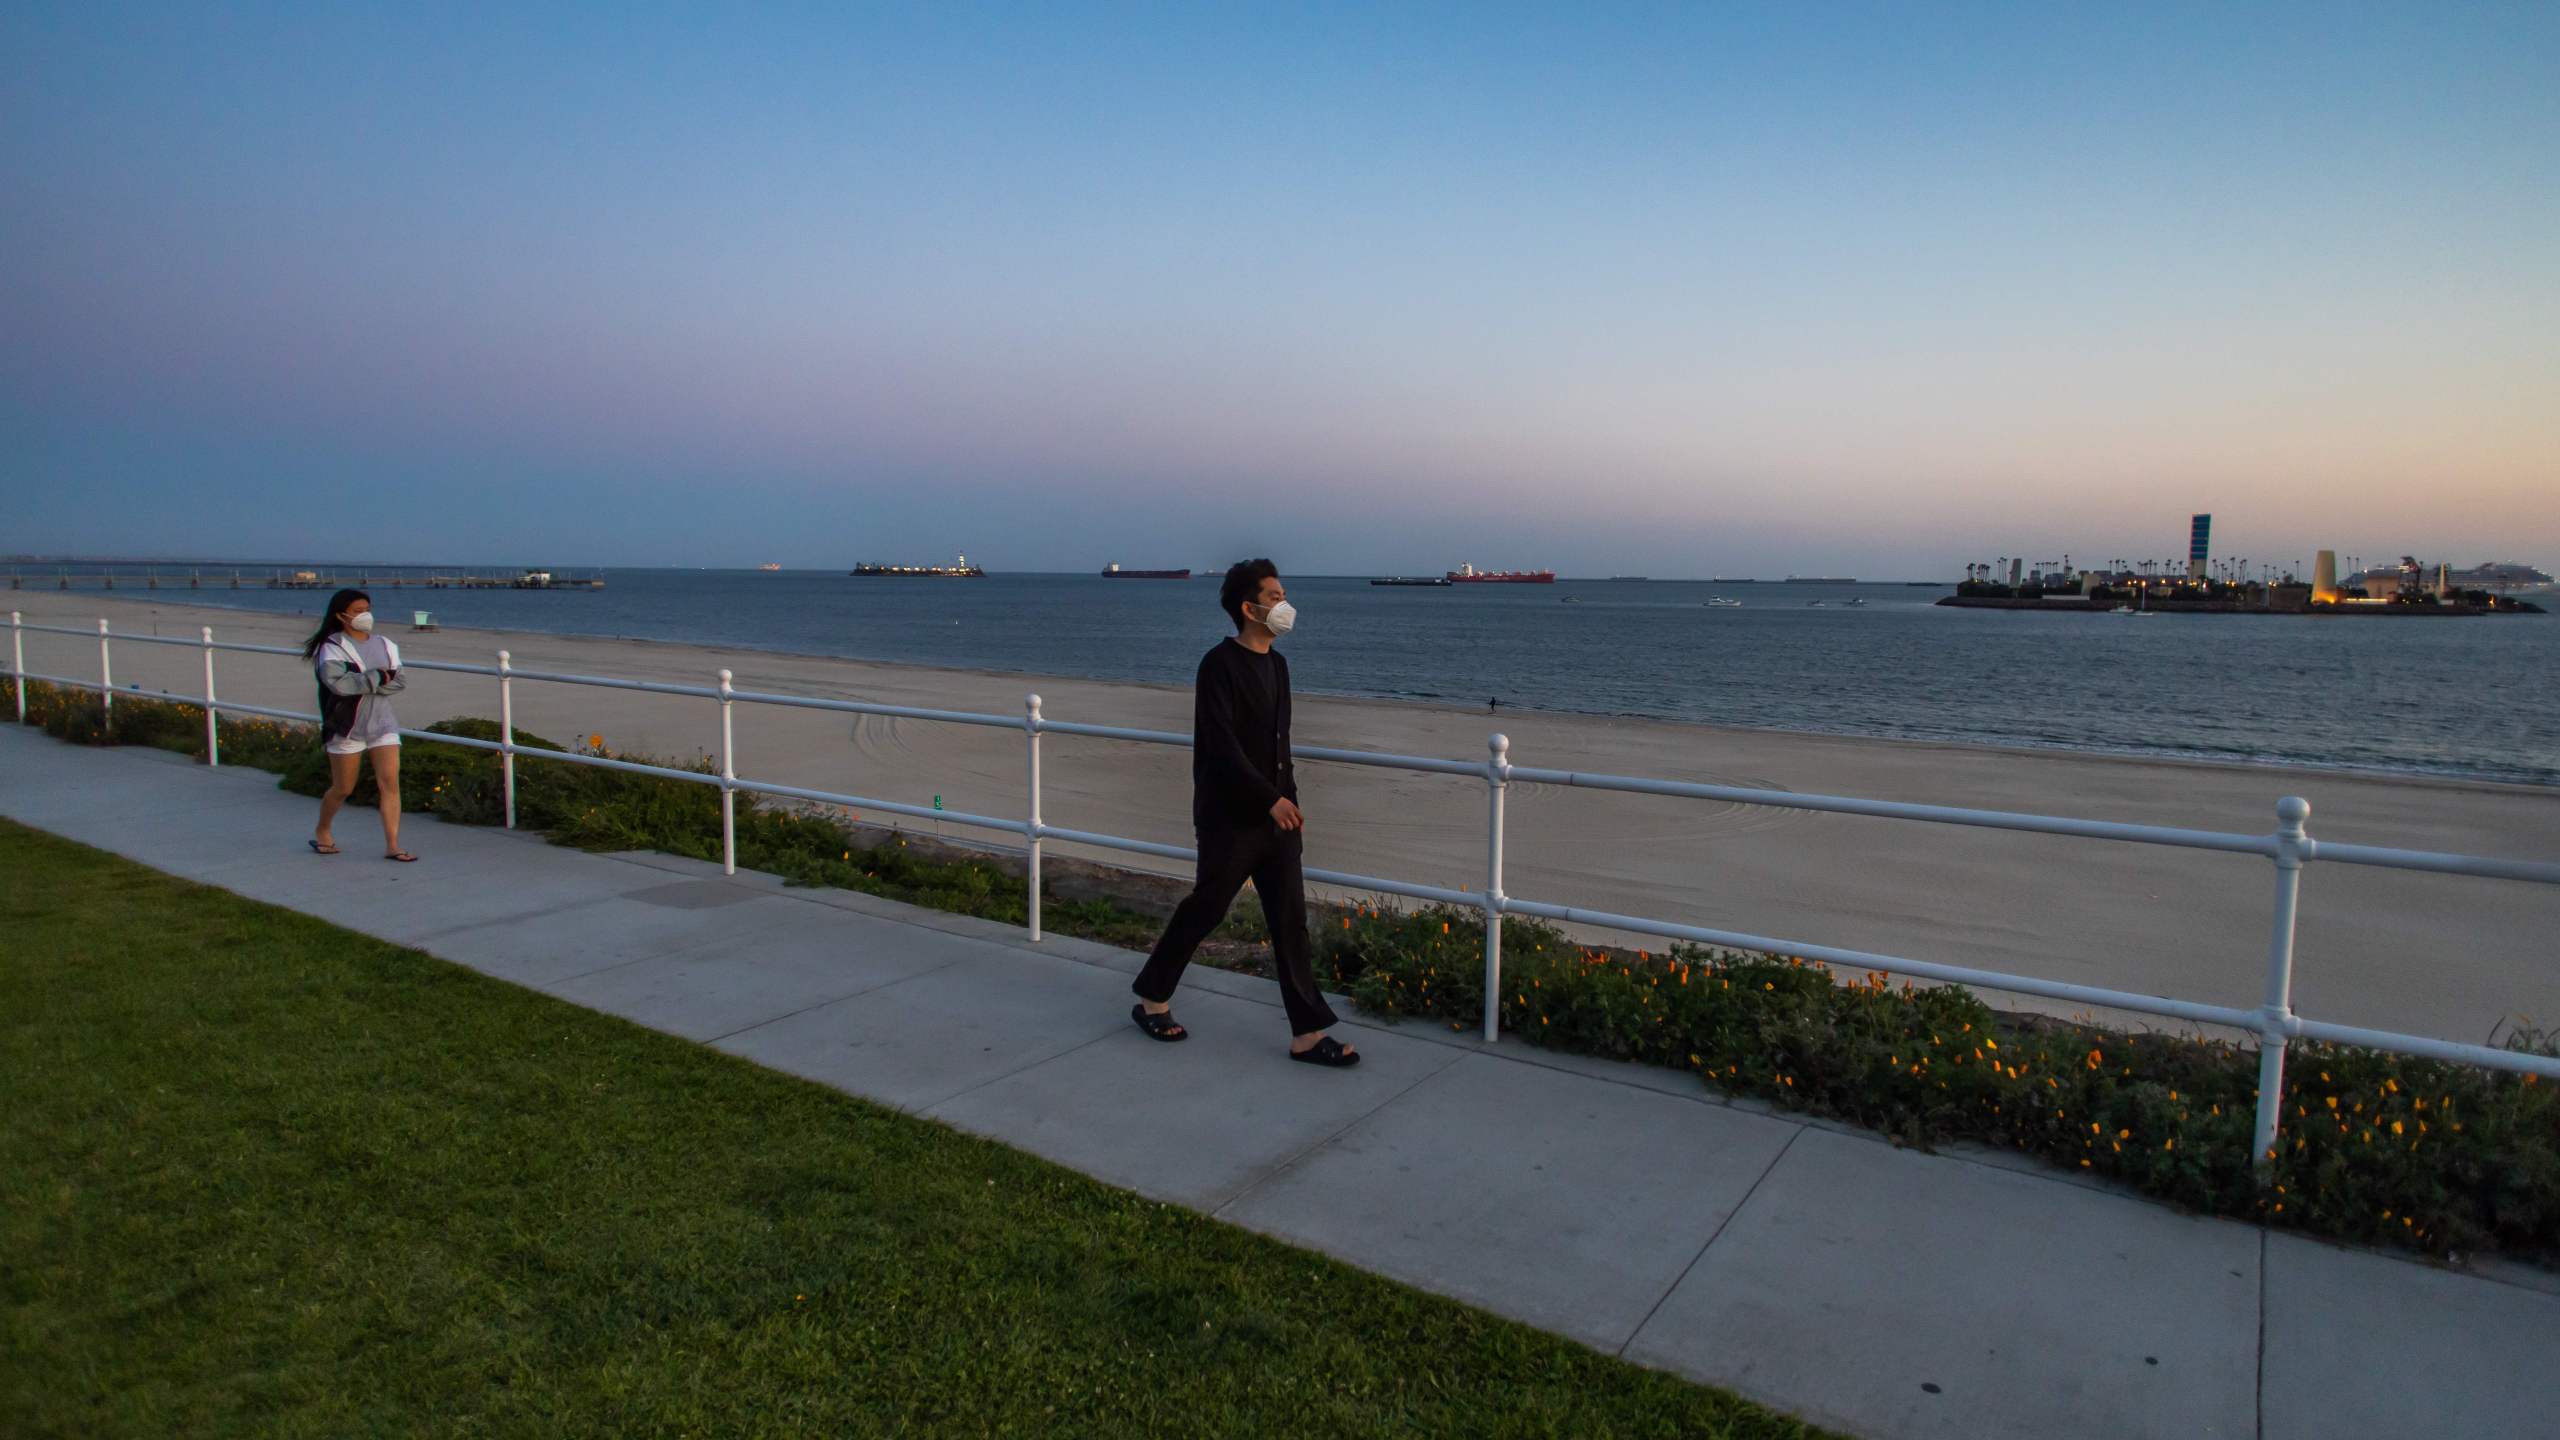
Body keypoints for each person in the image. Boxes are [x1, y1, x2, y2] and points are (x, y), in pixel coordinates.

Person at [1130, 560, 1357, 1066]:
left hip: (1279, 817)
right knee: (1207, 907)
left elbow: (1279, 745)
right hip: (1230, 817)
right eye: (1275, 597)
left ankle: (1307, 1033)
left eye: (1283, 595)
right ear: (1249, 608)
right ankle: (1152, 998)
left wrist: (1288, 801)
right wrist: (1268, 799)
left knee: (1290, 921)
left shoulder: (1278, 666)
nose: (1284, 605)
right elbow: (1221, 747)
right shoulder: (1218, 665)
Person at [303, 588, 415, 861]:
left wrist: (365, 681)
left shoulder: (386, 644)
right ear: (341, 615)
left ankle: (393, 845)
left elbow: (399, 680)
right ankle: (323, 829)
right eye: (357, 611)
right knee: (343, 787)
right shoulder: (331, 647)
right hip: (347, 726)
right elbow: (339, 685)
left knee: (390, 783)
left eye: (367, 609)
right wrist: (379, 677)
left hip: (383, 723)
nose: (365, 615)